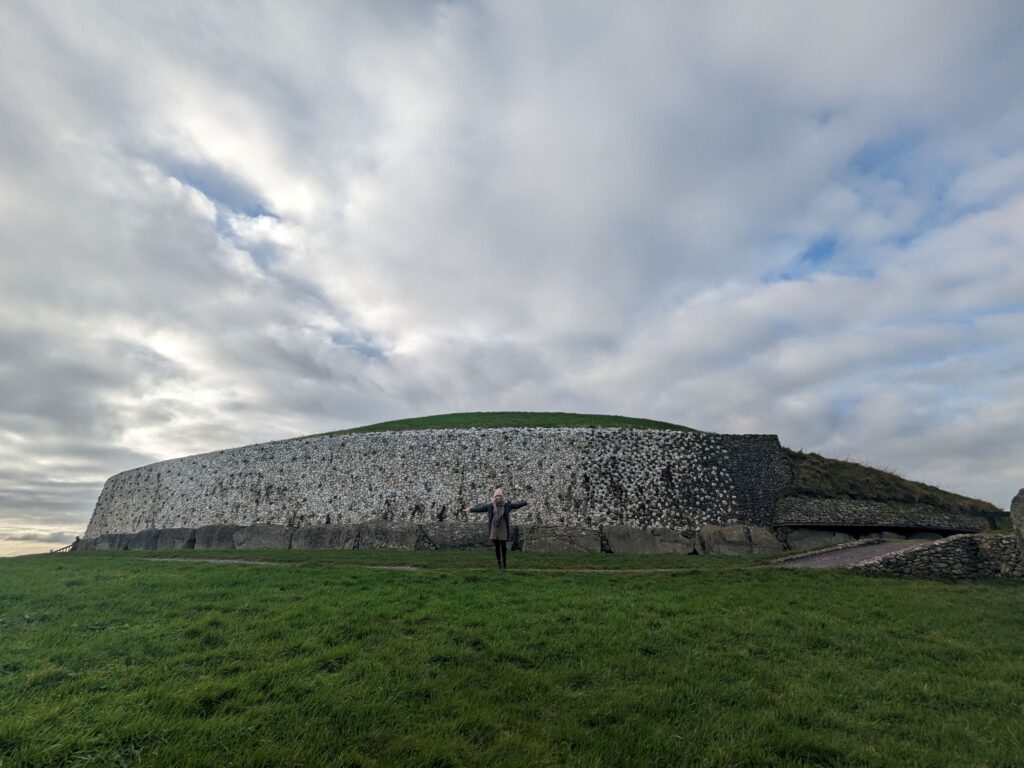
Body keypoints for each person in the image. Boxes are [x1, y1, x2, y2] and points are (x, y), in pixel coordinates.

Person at [462, 488, 528, 569]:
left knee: (503, 546)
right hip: (494, 528)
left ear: (502, 496)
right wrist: (470, 510)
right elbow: (481, 509)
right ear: (494, 497)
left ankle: (504, 563)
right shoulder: (490, 506)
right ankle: (499, 563)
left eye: (500, 495)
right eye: (497, 496)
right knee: (497, 547)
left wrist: (526, 503)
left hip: (503, 527)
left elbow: (517, 505)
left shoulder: (507, 505)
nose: (498, 497)